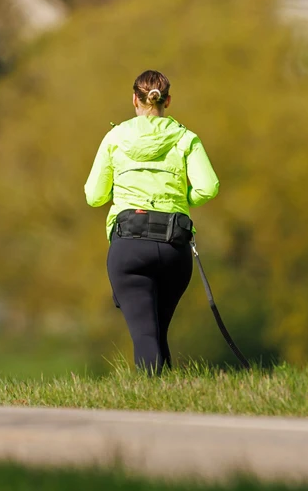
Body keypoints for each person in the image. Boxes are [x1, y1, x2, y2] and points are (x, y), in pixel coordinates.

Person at [84, 70, 219, 372]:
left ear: (134, 99)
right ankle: (168, 398)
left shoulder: (115, 138)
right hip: (173, 246)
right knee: (157, 330)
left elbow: (94, 196)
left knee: (145, 334)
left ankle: (151, 402)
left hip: (129, 245)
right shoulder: (186, 138)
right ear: (167, 100)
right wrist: (180, 201)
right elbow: (208, 187)